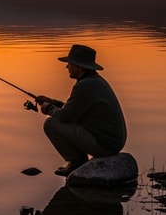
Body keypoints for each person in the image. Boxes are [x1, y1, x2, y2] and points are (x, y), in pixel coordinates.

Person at [36, 44, 126, 176]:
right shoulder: (94, 81)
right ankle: (79, 162)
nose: (67, 67)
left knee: (50, 124)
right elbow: (73, 110)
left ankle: (77, 162)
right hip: (112, 142)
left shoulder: (85, 86)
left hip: (105, 146)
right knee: (59, 120)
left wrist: (48, 108)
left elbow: (65, 117)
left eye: (70, 64)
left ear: (79, 67)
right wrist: (53, 102)